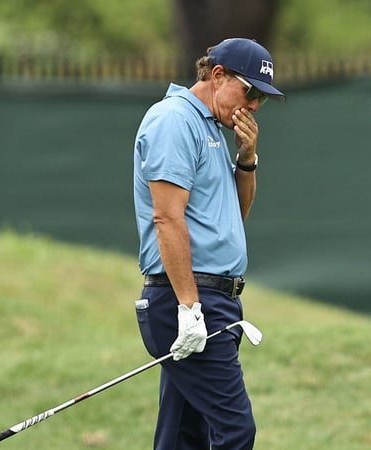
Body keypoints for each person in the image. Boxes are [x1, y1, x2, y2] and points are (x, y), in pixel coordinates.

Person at [132, 38, 285, 449]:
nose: (253, 106)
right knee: (235, 431)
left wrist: (247, 159)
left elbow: (234, 217)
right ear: (217, 76)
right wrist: (189, 308)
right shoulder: (174, 120)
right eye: (249, 92)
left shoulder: (211, 129)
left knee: (182, 438)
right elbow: (166, 216)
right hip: (189, 299)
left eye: (261, 100)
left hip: (212, 301)